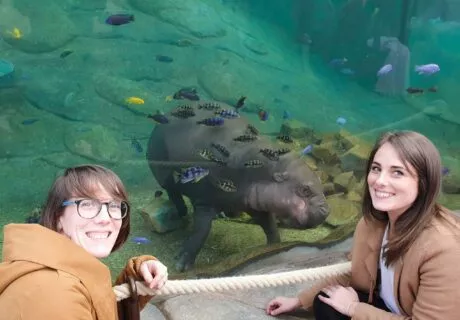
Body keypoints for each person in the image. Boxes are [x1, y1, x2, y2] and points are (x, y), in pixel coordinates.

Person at [266, 130, 460, 319]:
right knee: (326, 301)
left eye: (398, 172)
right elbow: (357, 274)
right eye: (376, 168)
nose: (380, 181)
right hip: (391, 309)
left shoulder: (444, 249)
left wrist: (353, 308)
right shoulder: (373, 223)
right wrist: (299, 301)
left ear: (424, 183)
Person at [0, 164, 168, 319]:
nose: (105, 218)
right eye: (87, 204)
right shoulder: (53, 293)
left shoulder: (62, 274)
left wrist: (136, 278)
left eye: (115, 205)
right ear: (58, 216)